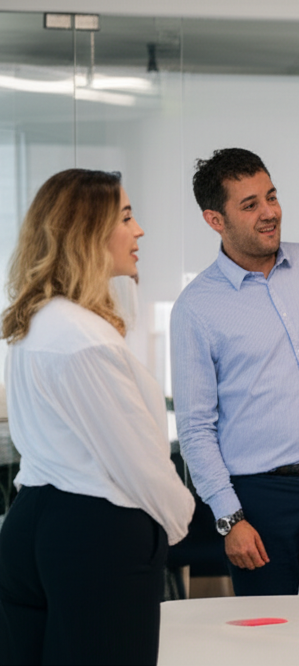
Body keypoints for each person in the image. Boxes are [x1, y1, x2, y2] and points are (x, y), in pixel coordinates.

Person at [0, 169, 194, 665]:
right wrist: (180, 519)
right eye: (126, 217)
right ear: (86, 232)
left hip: (29, 525)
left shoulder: (34, 324)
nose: (139, 230)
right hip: (96, 537)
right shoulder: (84, 338)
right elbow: (138, 460)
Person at [170, 148, 299, 596]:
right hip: (261, 504)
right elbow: (195, 429)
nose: (270, 212)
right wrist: (230, 519)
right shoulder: (195, 308)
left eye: (272, 196)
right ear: (215, 220)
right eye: (250, 205)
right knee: (270, 632)